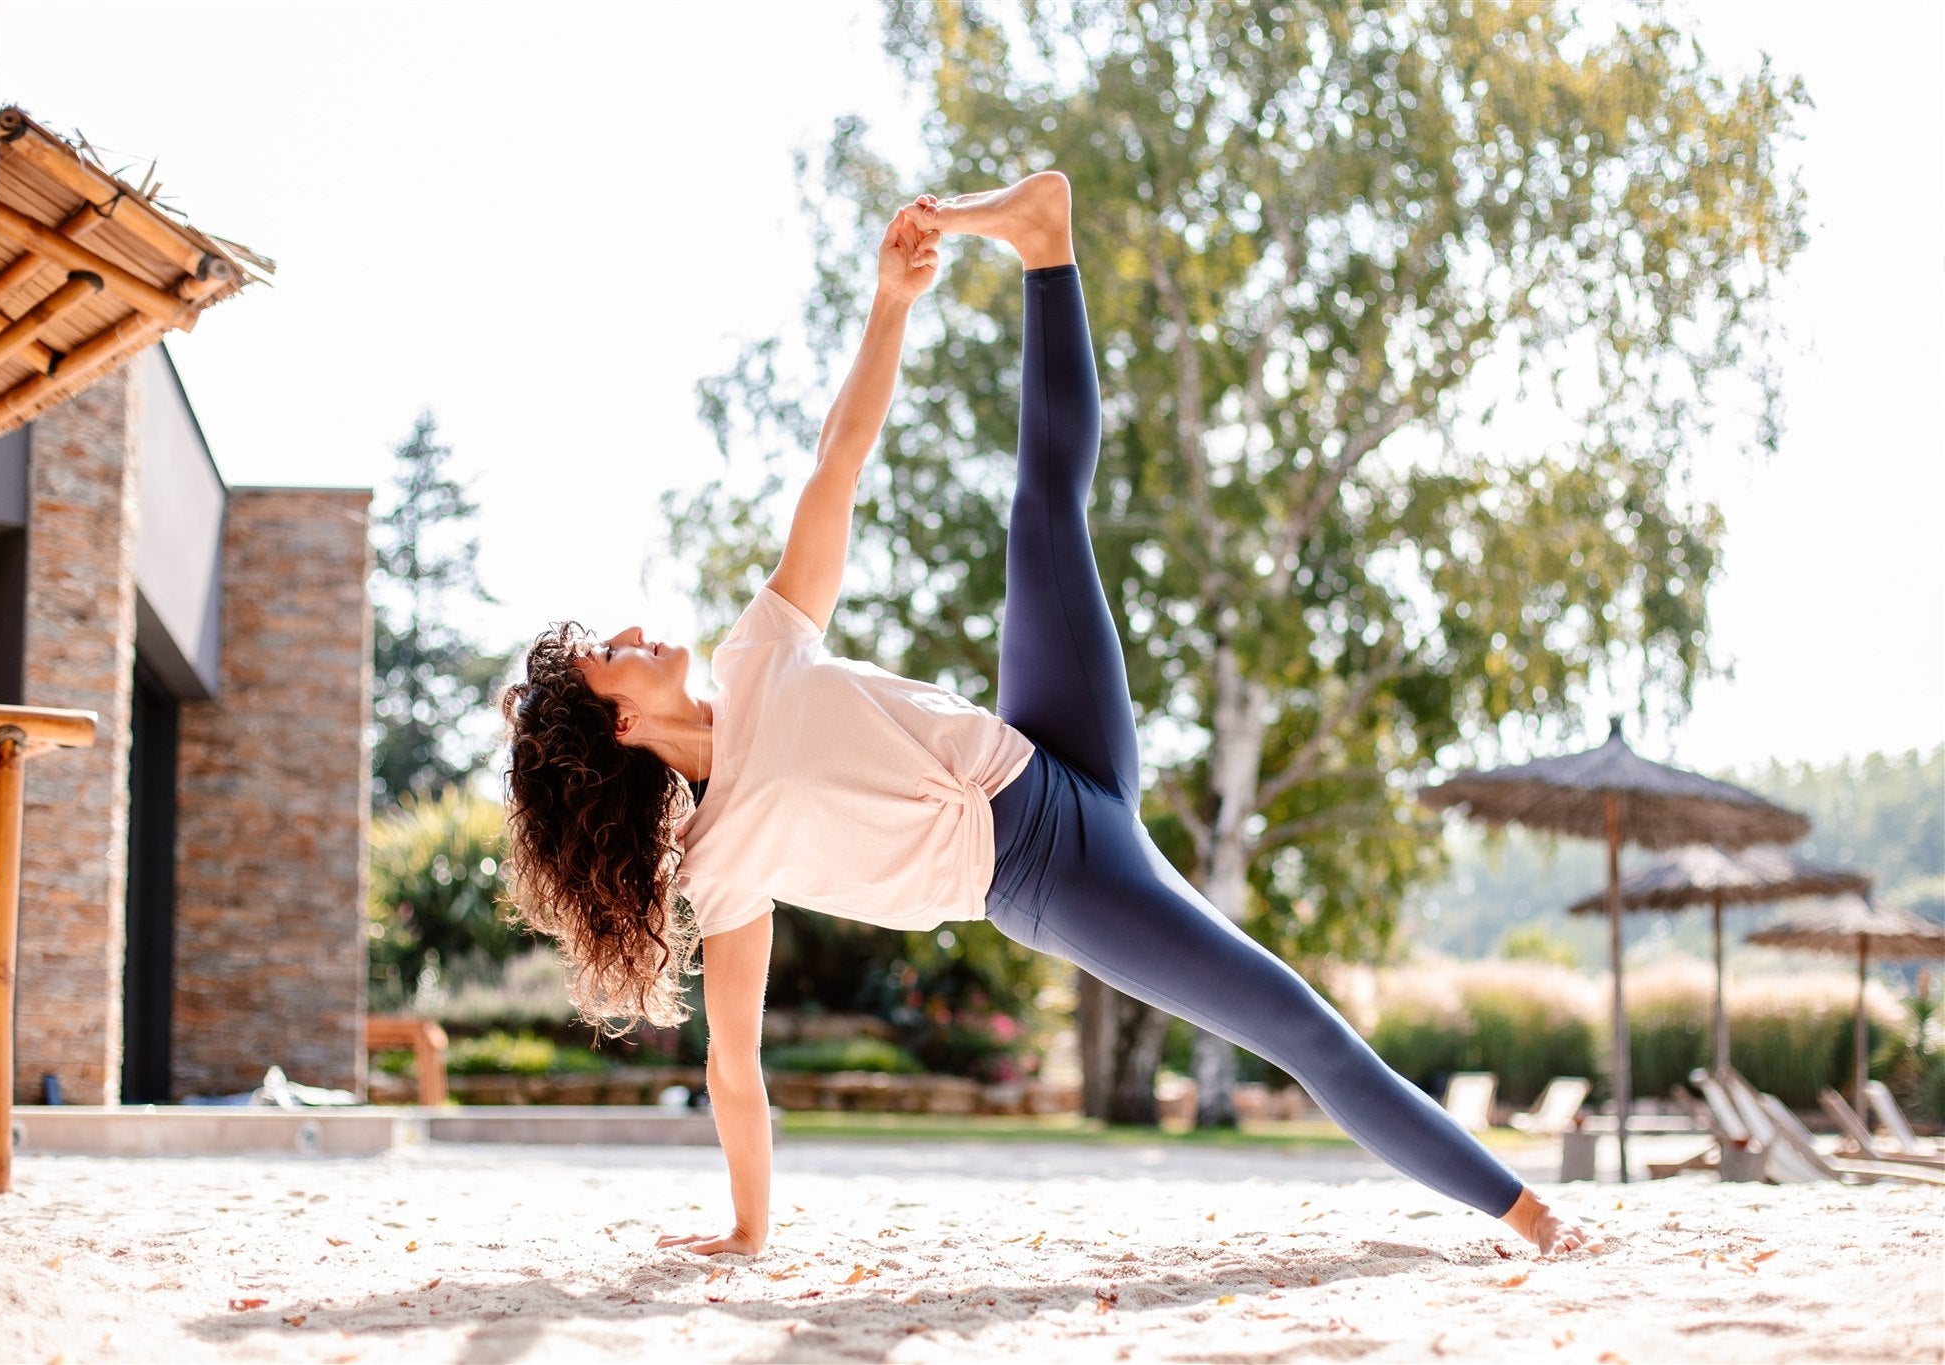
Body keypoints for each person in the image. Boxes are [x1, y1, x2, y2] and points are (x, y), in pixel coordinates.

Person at [500, 172, 1589, 1261]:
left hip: (1046, 743)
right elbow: (730, 1064)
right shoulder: (720, 860)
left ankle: (1038, 241)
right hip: (1051, 876)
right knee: (1295, 1028)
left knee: (1040, 506)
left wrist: (891, 303)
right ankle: (1532, 1218)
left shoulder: (761, 648)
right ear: (622, 735)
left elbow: (839, 458)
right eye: (609, 662)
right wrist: (746, 1228)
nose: (631, 635)